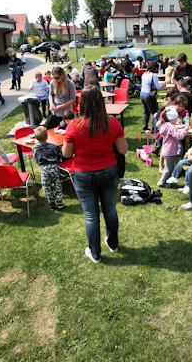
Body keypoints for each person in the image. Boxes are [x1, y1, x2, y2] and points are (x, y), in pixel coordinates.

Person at [62, 85, 128, 263]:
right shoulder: (113, 123)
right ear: (101, 101)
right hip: (108, 171)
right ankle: (113, 244)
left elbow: (66, 154)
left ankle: (95, 253)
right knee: (110, 211)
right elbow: (123, 149)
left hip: (84, 174)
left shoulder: (74, 126)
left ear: (81, 103)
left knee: (91, 216)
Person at [33, 126, 66, 211]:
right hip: (53, 166)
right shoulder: (53, 146)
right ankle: (60, 202)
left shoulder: (35, 148)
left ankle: (51, 203)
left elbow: (36, 158)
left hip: (43, 168)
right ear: (47, 136)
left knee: (46, 186)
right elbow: (61, 154)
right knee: (57, 183)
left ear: (36, 138)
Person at [157, 106, 189, 187]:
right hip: (170, 151)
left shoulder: (165, 125)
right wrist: (185, 129)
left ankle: (167, 183)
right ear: (173, 118)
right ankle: (161, 182)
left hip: (166, 150)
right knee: (168, 169)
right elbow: (179, 136)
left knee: (169, 168)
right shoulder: (171, 127)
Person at [140, 62, 166, 130]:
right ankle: (153, 128)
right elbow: (158, 87)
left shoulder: (144, 74)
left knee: (146, 111)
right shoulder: (153, 75)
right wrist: (163, 86)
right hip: (149, 95)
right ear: (155, 68)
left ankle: (145, 126)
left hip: (142, 94)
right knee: (154, 112)